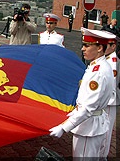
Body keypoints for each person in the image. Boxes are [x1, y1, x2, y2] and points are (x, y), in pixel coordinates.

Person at [49, 28, 114, 159]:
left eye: (87, 45)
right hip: (93, 123)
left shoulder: (98, 72)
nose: (83, 49)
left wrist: (64, 127)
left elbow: (88, 107)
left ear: (99, 48)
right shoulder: (97, 66)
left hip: (88, 127)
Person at [100, 32, 119, 158]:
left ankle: (103, 156)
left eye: (109, 44)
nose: (106, 46)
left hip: (109, 101)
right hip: (106, 100)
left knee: (106, 131)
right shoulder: (107, 59)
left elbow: (111, 85)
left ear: (114, 46)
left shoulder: (113, 62)